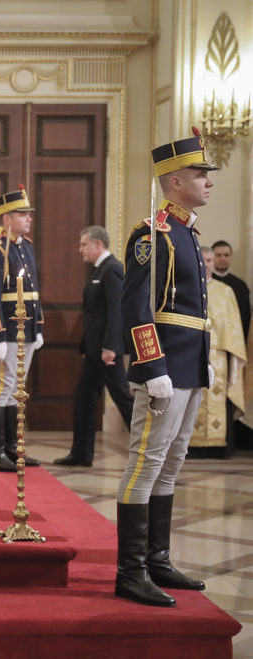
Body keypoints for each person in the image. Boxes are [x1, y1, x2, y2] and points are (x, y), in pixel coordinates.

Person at [114, 128, 217, 607]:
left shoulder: (186, 233)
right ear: (175, 181)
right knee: (146, 462)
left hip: (188, 366)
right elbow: (137, 307)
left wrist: (204, 360)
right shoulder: (152, 232)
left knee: (171, 463)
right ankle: (130, 572)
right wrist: (152, 365)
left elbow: (193, 309)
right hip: (164, 369)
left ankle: (157, 558)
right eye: (200, 174)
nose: (208, 181)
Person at [53, 226, 134, 467]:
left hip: (106, 352)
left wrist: (111, 346)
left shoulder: (113, 269)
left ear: (99, 245)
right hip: (94, 351)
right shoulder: (98, 270)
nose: (80, 250)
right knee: (84, 399)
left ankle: (151, 451)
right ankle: (81, 453)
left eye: (84, 245)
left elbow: (116, 311)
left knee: (124, 400)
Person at [0, 186, 44, 472]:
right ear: (6, 218)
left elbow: (33, 291)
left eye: (29, 214)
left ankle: (13, 448)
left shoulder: (24, 246)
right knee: (2, 388)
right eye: (22, 214)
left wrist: (38, 327)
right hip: (7, 332)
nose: (28, 218)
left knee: (17, 389)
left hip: (26, 330)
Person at [187, 246, 246, 458]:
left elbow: (234, 327)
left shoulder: (226, 291)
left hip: (219, 356)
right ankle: (191, 446)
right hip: (193, 354)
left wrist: (235, 355)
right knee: (193, 397)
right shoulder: (187, 288)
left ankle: (218, 447)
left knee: (217, 398)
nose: (207, 264)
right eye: (203, 260)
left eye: (210, 260)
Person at [210, 240, 251, 342]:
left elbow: (245, 318)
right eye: (218, 255)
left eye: (226, 255)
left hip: (233, 341)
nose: (223, 258)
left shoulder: (240, 286)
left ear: (231, 257)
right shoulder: (203, 283)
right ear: (211, 257)